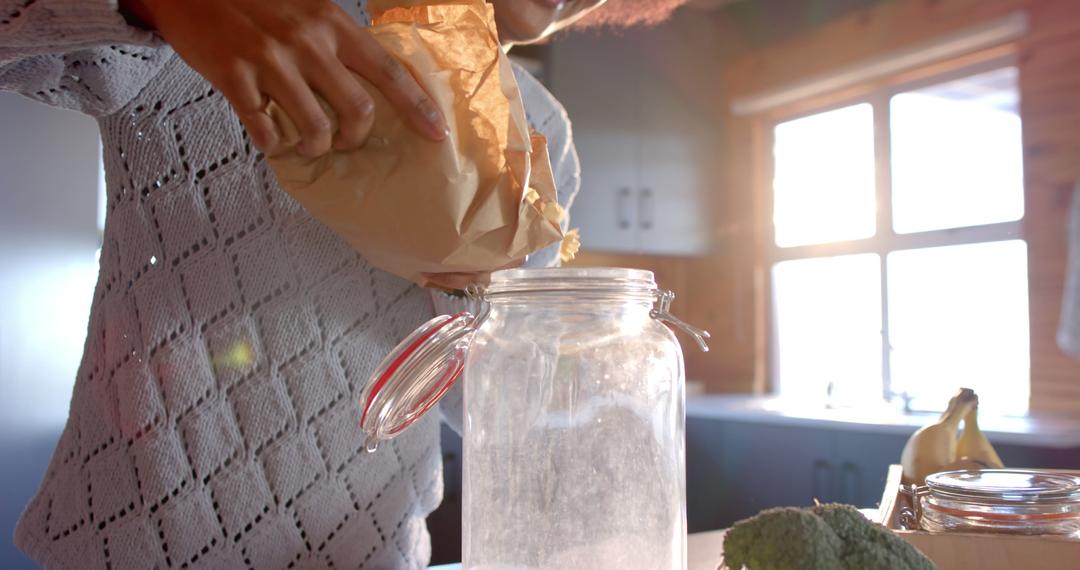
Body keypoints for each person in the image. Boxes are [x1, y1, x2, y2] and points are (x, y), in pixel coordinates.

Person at [1, 0, 683, 567]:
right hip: (140, 541)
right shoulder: (257, 16)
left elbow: (491, 409)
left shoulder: (538, 127)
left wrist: (493, 312)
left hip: (371, 548)